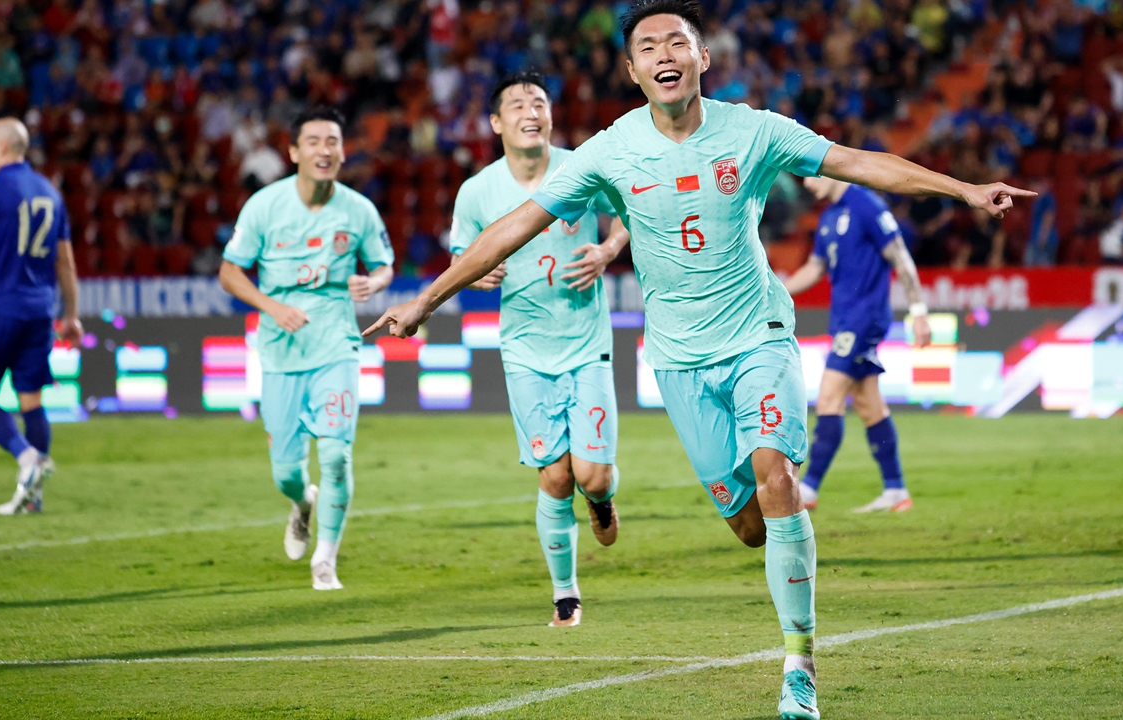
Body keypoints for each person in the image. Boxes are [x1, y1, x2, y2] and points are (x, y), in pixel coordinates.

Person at [363, 2, 1031, 717]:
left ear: (702, 57)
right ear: (632, 70)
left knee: (777, 481)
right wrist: (428, 298)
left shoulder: (753, 129)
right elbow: (515, 228)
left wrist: (962, 189)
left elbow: (856, 162)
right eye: (647, 46)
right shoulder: (611, 150)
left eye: (676, 40)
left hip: (758, 335)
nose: (663, 53)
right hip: (680, 361)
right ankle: (779, 559)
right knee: (748, 525)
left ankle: (799, 663)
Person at [450, 70, 631, 628]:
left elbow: (630, 215)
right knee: (554, 476)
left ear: (550, 115)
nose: (531, 111)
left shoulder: (582, 167)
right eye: (518, 104)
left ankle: (601, 500)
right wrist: (476, 275)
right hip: (525, 350)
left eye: (539, 102)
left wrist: (605, 250)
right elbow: (462, 252)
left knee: (592, 475)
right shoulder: (478, 190)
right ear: (496, 123)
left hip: (586, 344)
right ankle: (566, 595)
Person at [219, 106, 394, 591]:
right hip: (279, 352)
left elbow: (384, 264)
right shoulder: (264, 207)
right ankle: (302, 503)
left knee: (338, 455)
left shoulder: (358, 209)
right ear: (294, 151)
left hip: (337, 345)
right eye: (314, 141)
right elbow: (230, 272)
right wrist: (270, 306)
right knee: (285, 474)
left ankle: (326, 559)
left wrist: (371, 281)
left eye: (333, 141)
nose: (325, 150)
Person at [782, 175, 931, 515]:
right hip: (844, 320)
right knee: (868, 405)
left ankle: (808, 488)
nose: (805, 182)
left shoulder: (867, 205)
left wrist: (919, 311)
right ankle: (895, 489)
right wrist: (777, 292)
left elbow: (901, 257)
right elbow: (814, 268)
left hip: (865, 319)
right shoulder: (829, 217)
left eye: (809, 172)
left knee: (829, 394)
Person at [0, 117, 83, 514]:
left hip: (2, 308)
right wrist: (71, 315)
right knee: (31, 399)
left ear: (4, 147)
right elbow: (65, 261)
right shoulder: (50, 191)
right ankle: (34, 497)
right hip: (40, 311)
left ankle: (28, 459)